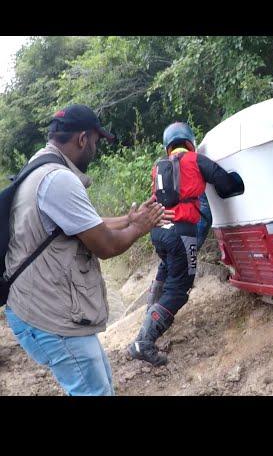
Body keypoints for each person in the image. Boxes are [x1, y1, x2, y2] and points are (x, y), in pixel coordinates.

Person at [3, 104, 170, 396]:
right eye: (95, 141)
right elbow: (105, 245)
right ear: (82, 139)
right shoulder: (59, 179)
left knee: (101, 382)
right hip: (47, 314)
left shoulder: (42, 165)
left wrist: (128, 220)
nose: (95, 149)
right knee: (95, 391)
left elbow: (83, 223)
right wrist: (139, 228)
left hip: (39, 306)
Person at [128, 122, 244, 366]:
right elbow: (225, 184)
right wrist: (240, 181)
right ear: (190, 141)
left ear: (168, 146)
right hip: (181, 233)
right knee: (180, 289)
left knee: (166, 271)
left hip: (158, 230)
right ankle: (144, 341)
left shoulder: (158, 167)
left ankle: (148, 324)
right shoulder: (196, 160)